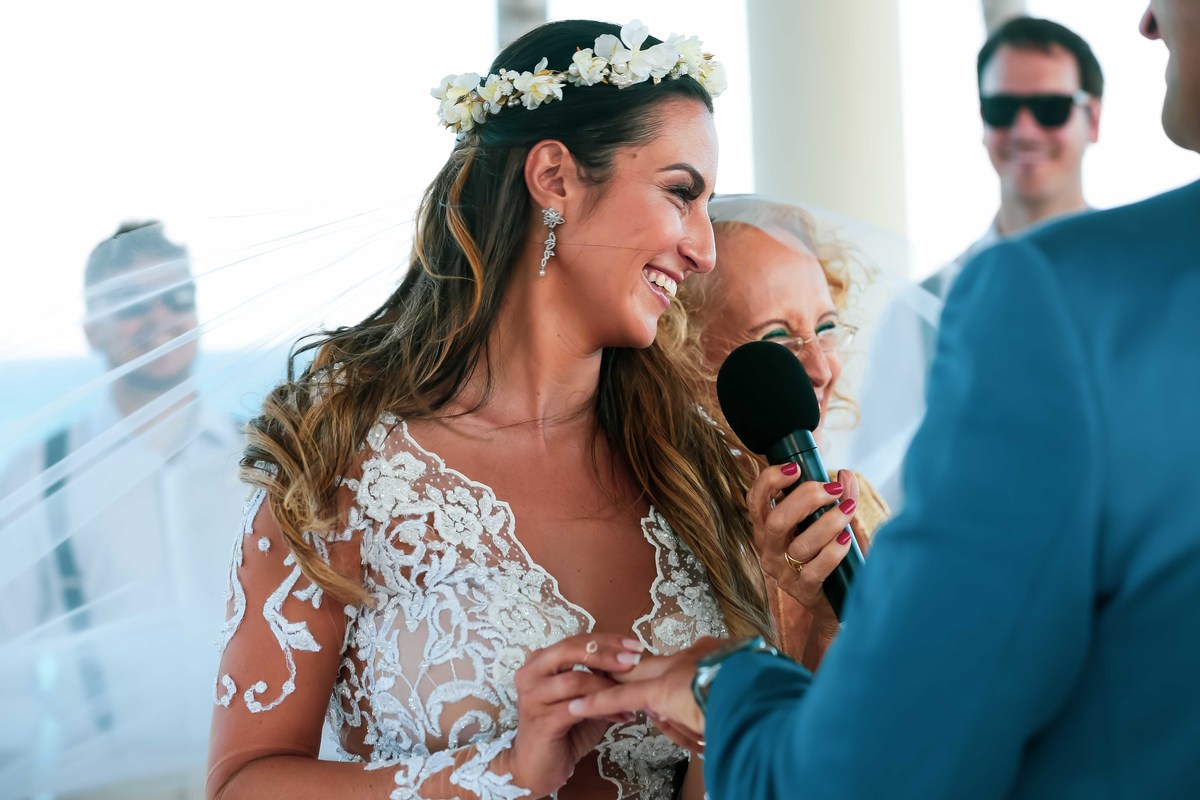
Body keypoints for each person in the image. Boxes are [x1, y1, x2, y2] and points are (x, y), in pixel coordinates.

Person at [569, 2, 1200, 796]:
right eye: (774, 339)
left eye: (826, 328)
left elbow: (885, 756)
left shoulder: (1056, 301)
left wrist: (725, 682)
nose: (1147, 20)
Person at [209, 19, 845, 800]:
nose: (704, 250)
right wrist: (496, 774)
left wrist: (787, 622)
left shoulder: (700, 467)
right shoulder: (341, 463)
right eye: (681, 193)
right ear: (554, 178)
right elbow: (239, 783)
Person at [0, 222, 245, 797]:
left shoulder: (263, 459)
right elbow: (7, 653)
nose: (160, 318)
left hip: (256, 772)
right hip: (108, 782)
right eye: (132, 304)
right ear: (92, 328)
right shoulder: (41, 473)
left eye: (177, 298)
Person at [853, 16, 1105, 509]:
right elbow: (882, 492)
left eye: (1050, 109)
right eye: (1002, 109)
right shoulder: (921, 309)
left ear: (1092, 119)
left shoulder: (1145, 282)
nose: (1024, 129)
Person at [677, 194, 888, 668]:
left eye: (826, 328)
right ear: (683, 353)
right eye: (776, 338)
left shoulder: (860, 508)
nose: (821, 369)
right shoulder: (670, 536)